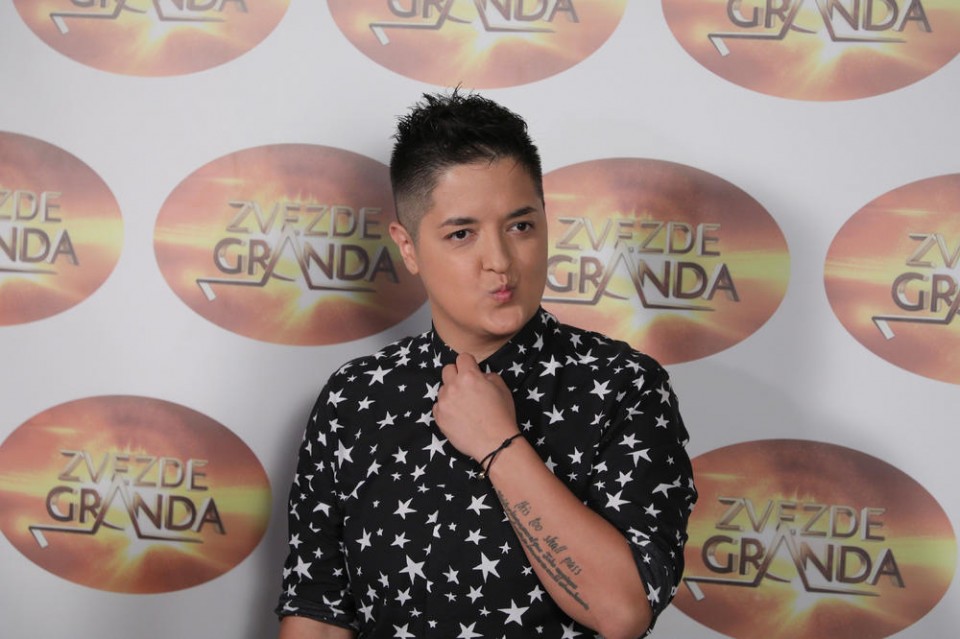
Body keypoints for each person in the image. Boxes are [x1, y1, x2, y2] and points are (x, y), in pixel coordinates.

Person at [276, 89, 696, 639]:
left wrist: (498, 443)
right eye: (461, 234)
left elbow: (622, 611)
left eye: (520, 226)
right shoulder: (354, 398)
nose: (499, 261)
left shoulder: (623, 385)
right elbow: (319, 612)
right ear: (408, 247)